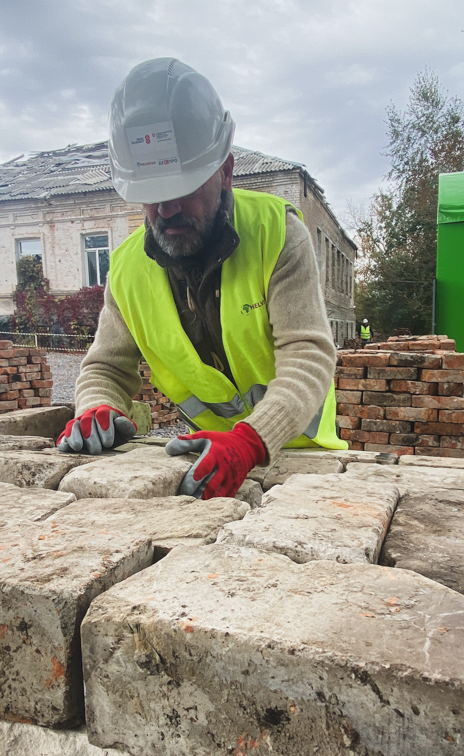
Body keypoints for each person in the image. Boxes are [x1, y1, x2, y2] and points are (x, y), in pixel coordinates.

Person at [59, 57, 345, 499]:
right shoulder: (129, 267)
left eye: (181, 190)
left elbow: (308, 352)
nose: (166, 210)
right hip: (203, 464)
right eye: (151, 195)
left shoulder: (277, 233)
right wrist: (97, 405)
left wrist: (252, 440)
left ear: (225, 172)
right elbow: (105, 366)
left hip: (298, 455)